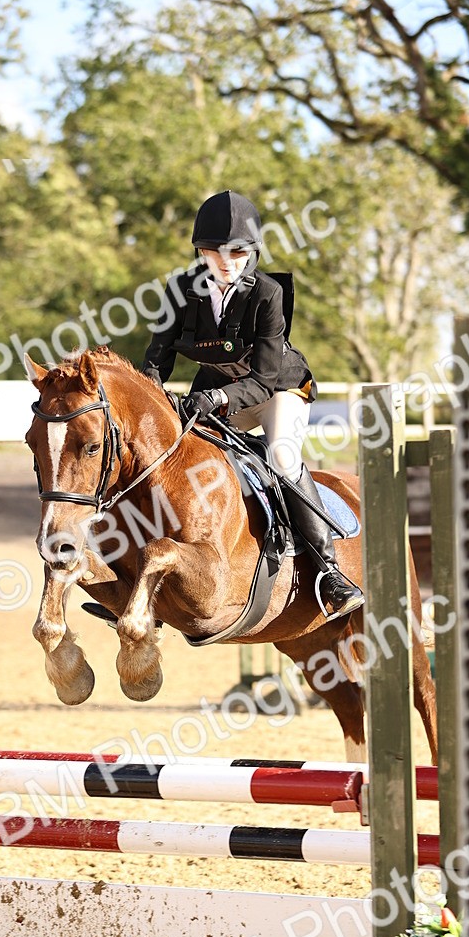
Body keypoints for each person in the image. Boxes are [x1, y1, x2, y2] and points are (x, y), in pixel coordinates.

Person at [142, 189, 365, 621]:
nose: (226, 261)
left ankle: (329, 573)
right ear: (199, 251)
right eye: (214, 251)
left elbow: (262, 378)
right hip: (218, 391)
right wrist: (147, 402)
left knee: (281, 456)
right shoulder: (179, 290)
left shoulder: (267, 293)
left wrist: (219, 397)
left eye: (238, 251)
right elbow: (157, 359)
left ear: (252, 252)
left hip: (277, 391)